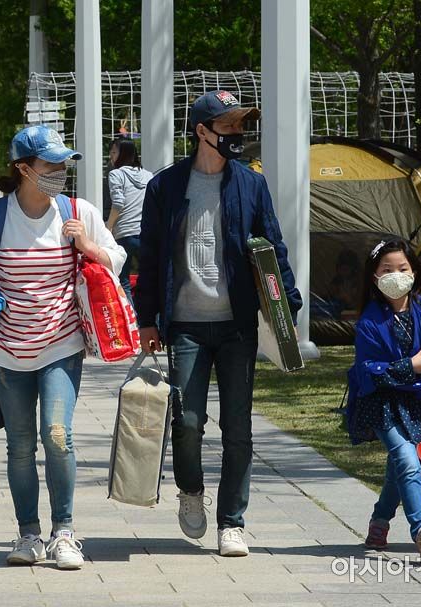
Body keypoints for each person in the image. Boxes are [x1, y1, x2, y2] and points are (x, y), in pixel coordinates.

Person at [0, 125, 126, 571]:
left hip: (61, 344)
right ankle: (28, 534)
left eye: (63, 164)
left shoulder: (77, 211)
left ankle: (64, 533)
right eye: (50, 164)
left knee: (57, 435)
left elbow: (116, 259)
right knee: (20, 445)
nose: (60, 171)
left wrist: (86, 244)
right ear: (23, 169)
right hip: (5, 350)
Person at [135, 90, 301, 557]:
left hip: (237, 325)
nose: (237, 134)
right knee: (187, 422)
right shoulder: (165, 187)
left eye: (240, 126)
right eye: (227, 126)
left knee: (238, 428)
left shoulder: (251, 185)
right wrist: (146, 318)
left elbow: (273, 247)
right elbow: (150, 256)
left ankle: (232, 522)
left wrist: (288, 307)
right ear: (202, 131)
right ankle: (190, 490)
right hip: (185, 325)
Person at [345, 239, 421, 560]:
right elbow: (368, 372)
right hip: (382, 403)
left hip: (417, 401)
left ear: (414, 272)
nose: (396, 275)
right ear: (375, 276)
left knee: (397, 466)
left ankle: (379, 523)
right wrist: (409, 366)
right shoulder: (369, 321)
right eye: (387, 270)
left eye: (402, 268)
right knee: (407, 460)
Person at [105, 139, 153, 304]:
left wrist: (108, 227)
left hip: (124, 235)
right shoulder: (148, 175)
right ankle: (150, 317)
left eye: (114, 152)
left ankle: (131, 317)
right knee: (149, 280)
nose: (111, 156)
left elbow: (118, 203)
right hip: (145, 234)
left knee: (123, 280)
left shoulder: (115, 174)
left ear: (124, 154)